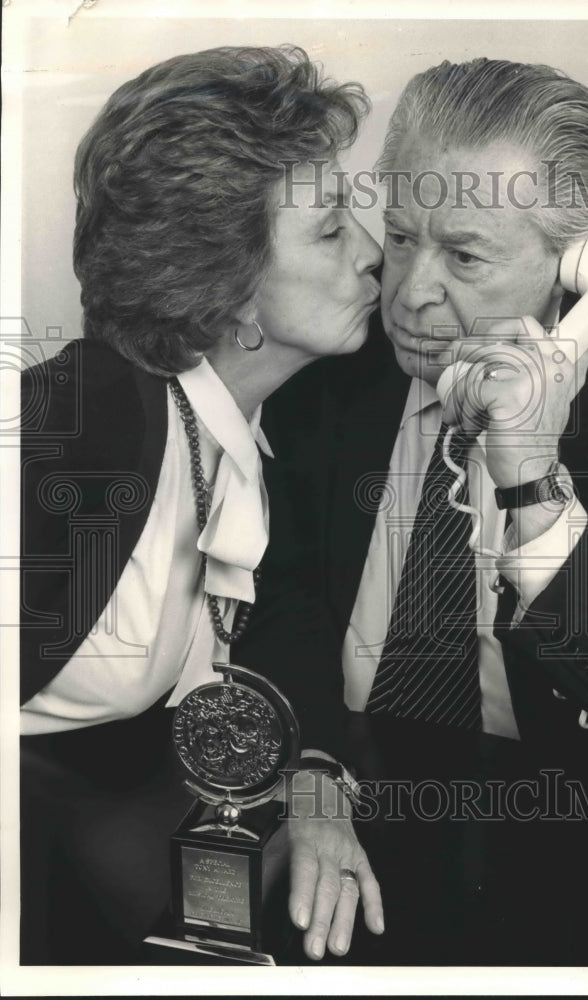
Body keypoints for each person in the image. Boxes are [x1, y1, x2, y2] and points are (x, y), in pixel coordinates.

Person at [237, 58, 588, 964]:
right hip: (340, 793)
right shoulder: (325, 377)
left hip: (562, 845)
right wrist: (305, 771)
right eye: (399, 236)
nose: (409, 292)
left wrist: (533, 481)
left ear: (579, 266)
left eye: (464, 255)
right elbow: (282, 596)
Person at [19, 45, 386, 964]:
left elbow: (287, 621)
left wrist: (315, 789)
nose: (374, 253)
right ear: (230, 302)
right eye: (331, 231)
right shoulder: (82, 425)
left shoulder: (254, 429)